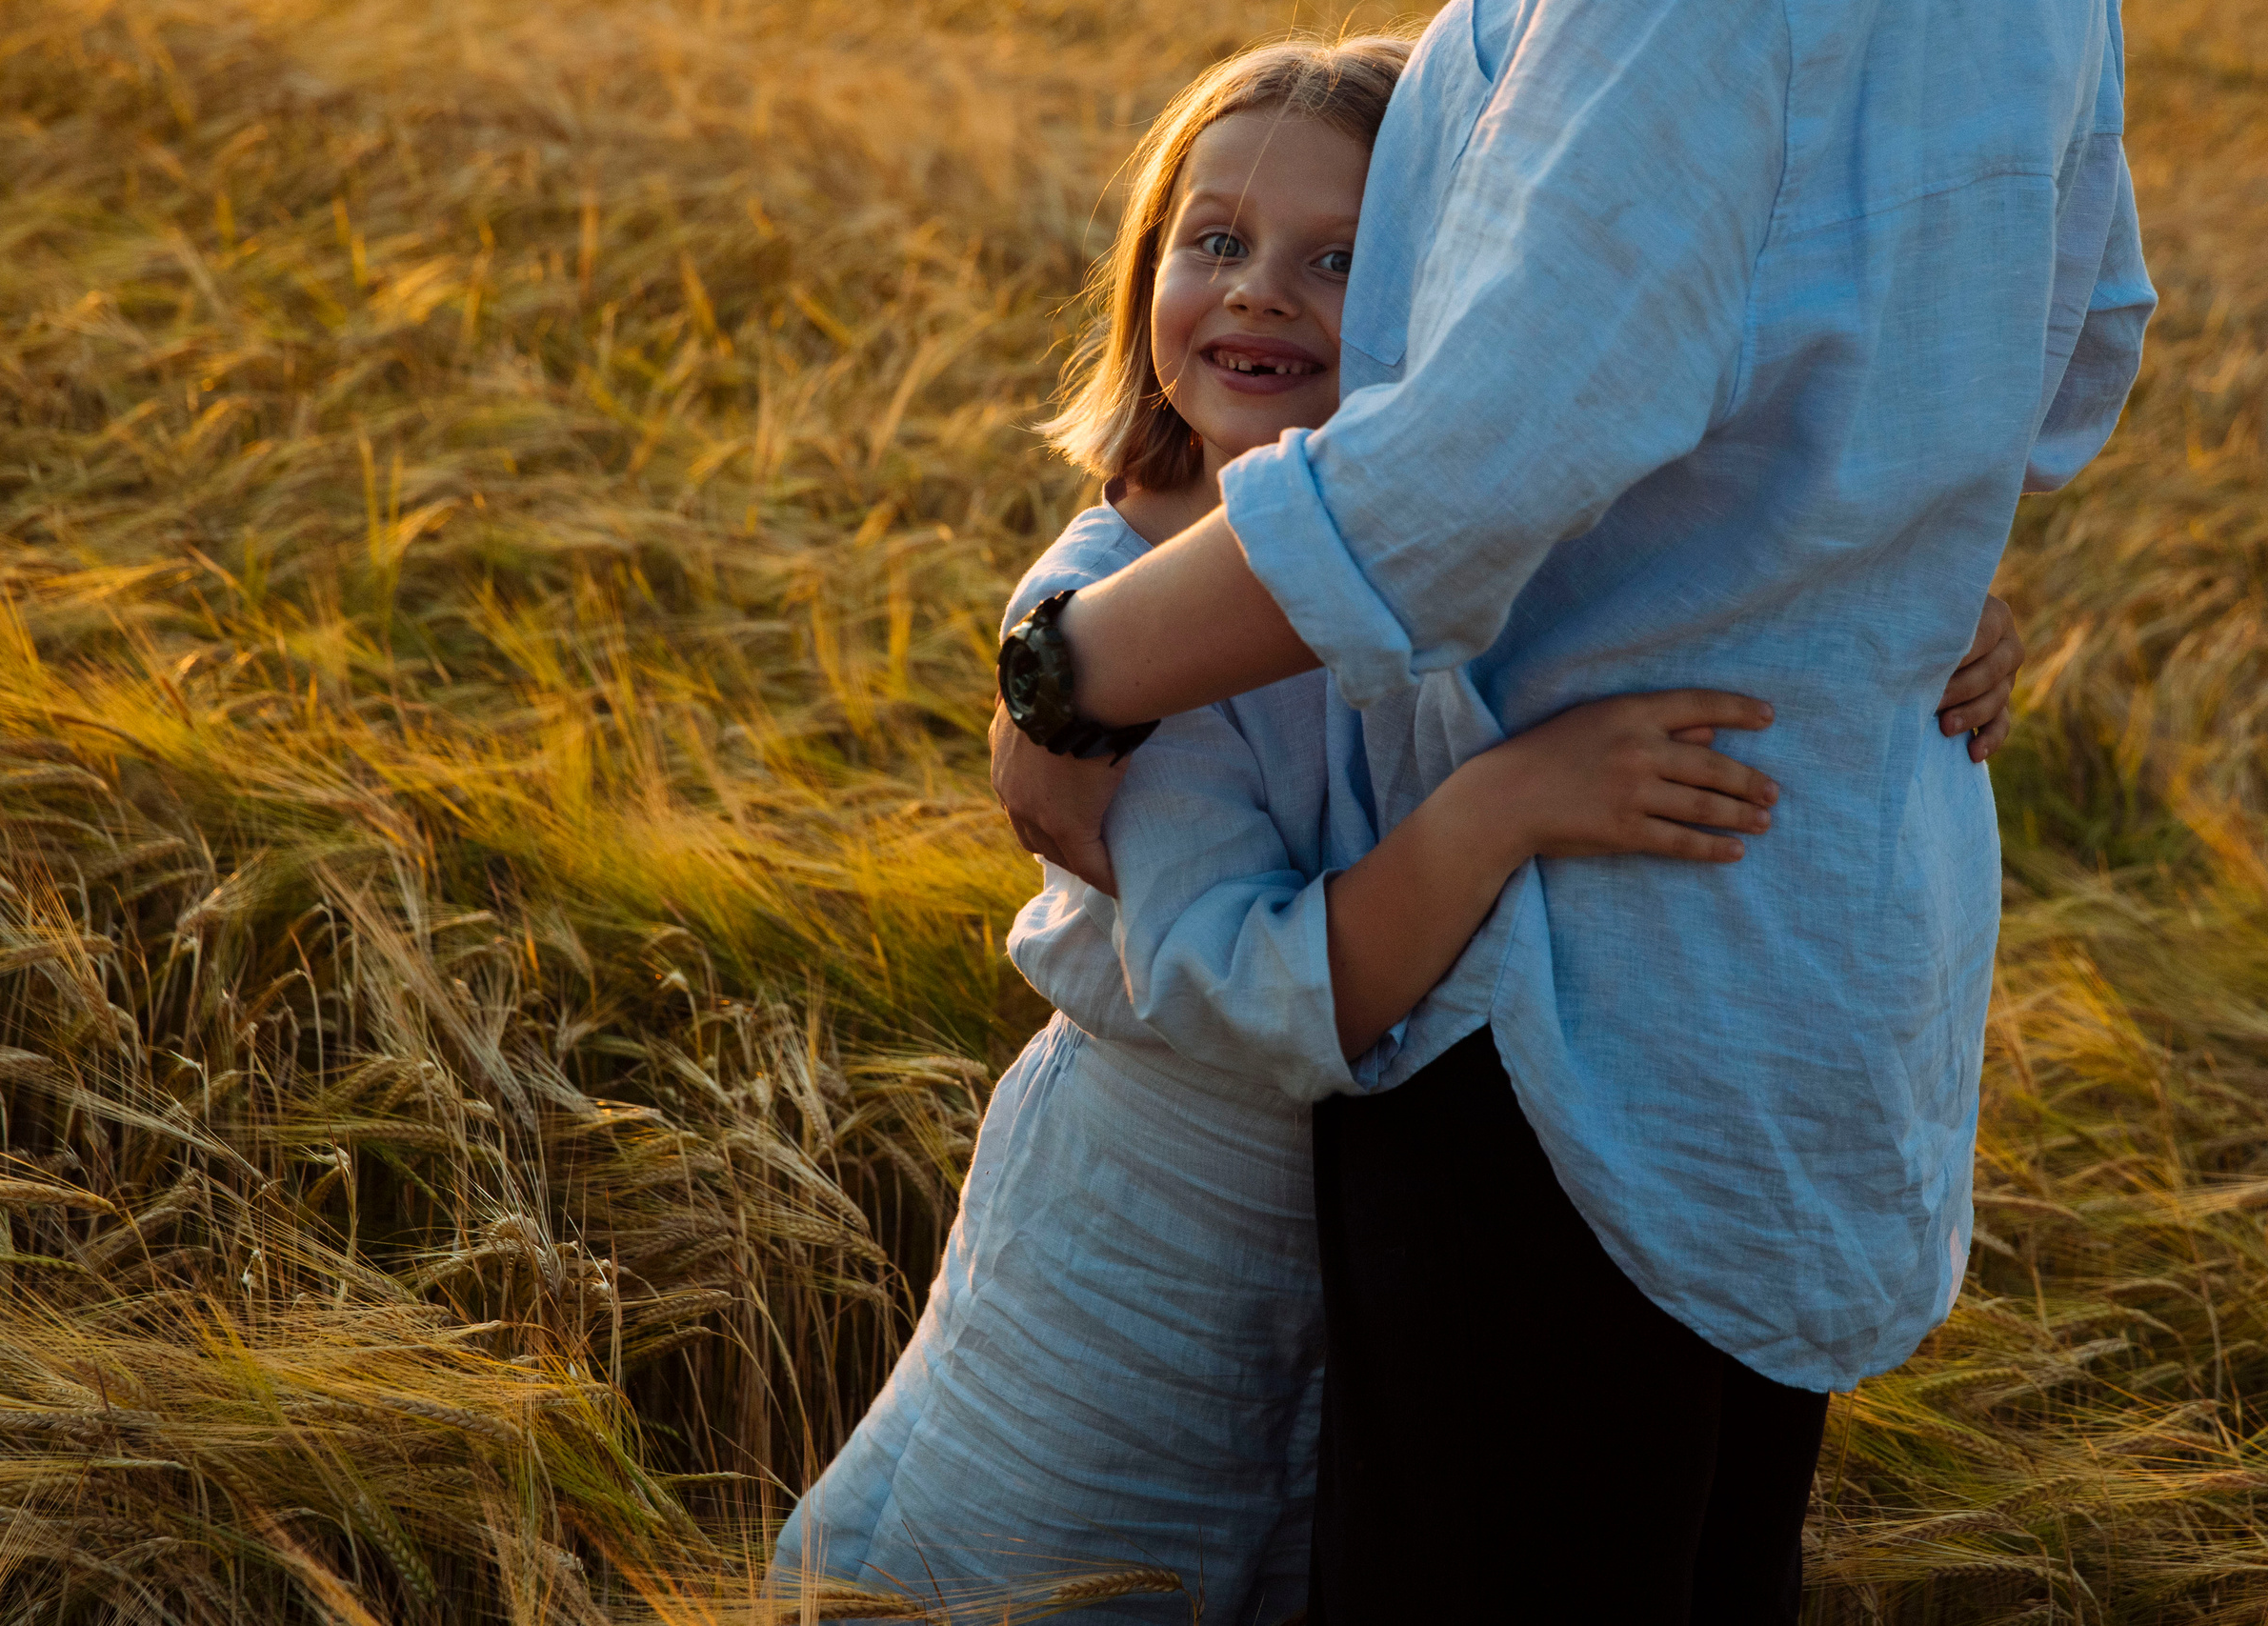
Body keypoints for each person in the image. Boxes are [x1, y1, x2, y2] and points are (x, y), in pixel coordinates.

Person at [777, 30, 2031, 1626]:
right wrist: (1505, 806)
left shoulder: (1486, 575)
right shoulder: (1113, 610)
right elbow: (1248, 995)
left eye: (1340, 259)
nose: (1256, 292)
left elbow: (1735, 554)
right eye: (1213, 242)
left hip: (1353, 1284)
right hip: (1143, 1266)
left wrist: (1937, 619)